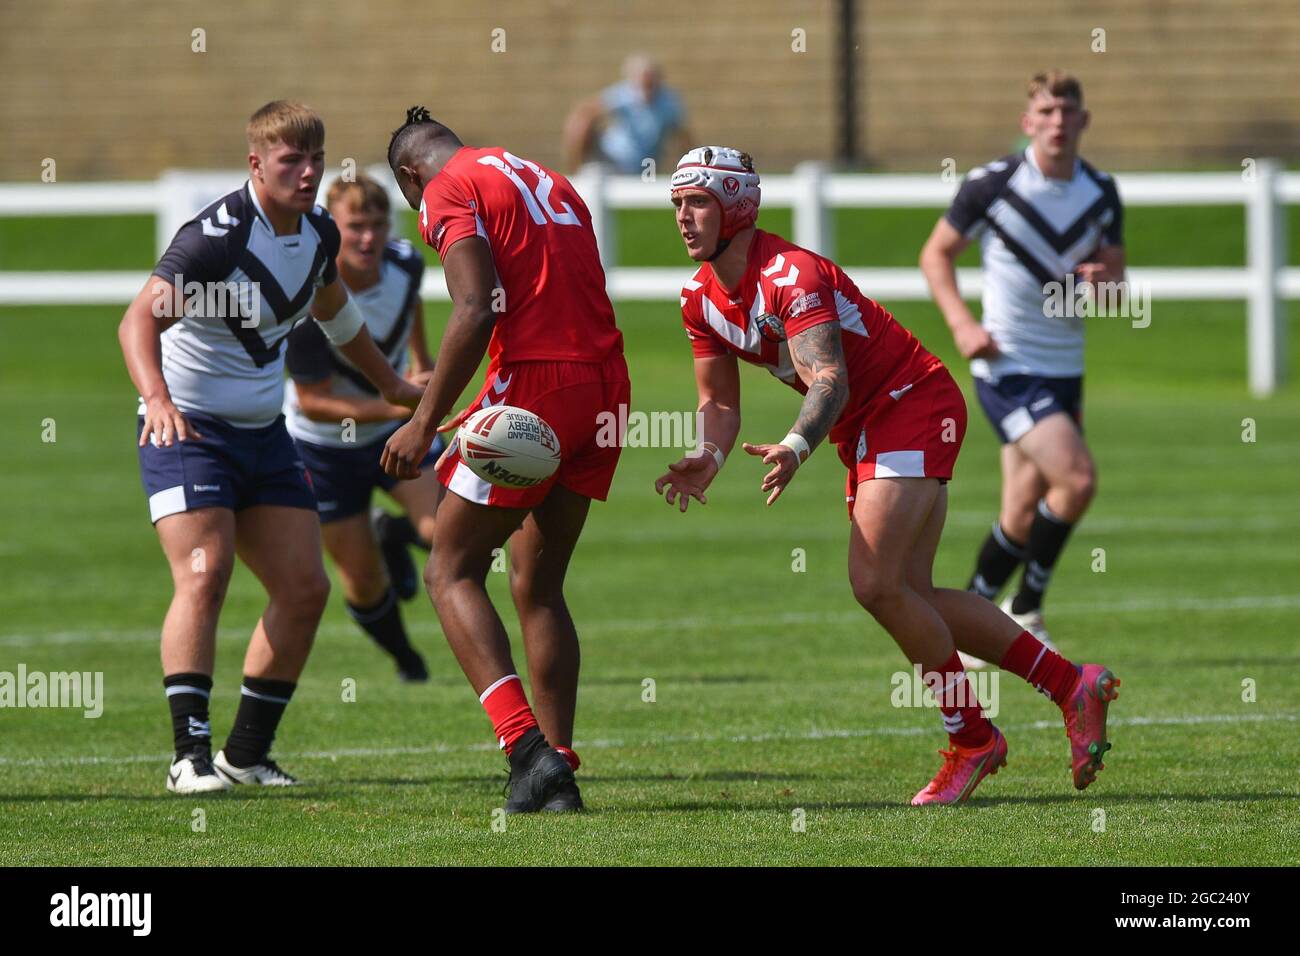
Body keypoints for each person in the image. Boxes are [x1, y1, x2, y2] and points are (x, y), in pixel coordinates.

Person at [655, 146, 1120, 804]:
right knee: (909, 591)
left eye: (696, 202)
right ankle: (1073, 685)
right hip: (868, 425)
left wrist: (794, 445)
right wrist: (710, 454)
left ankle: (973, 739)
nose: (683, 217)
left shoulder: (792, 275)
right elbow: (721, 403)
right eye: (676, 204)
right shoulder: (699, 298)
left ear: (737, 207)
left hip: (911, 402)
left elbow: (829, 380)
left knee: (874, 583)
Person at [118, 101, 423, 794]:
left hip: (265, 435)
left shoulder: (318, 230)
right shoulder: (215, 239)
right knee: (206, 572)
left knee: (305, 588)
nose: (309, 172)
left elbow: (336, 314)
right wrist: (159, 400)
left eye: (316, 158)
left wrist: (396, 388)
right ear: (257, 164)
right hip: (190, 431)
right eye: (292, 160)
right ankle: (187, 758)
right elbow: (137, 321)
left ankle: (246, 755)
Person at [382, 107, 630, 813]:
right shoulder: (547, 176)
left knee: (450, 568)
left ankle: (525, 748)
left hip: (538, 386)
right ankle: (558, 775)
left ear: (410, 173)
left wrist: (423, 422)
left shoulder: (445, 186)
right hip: (606, 386)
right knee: (538, 585)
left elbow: (476, 305)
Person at [919, 72, 1125, 664]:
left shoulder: (1102, 192)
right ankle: (1026, 609)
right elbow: (935, 254)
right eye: (1047, 110)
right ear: (1027, 122)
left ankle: (968, 624)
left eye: (1068, 110)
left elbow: (1116, 282)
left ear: (1084, 121)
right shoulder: (993, 185)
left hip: (1066, 367)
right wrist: (961, 323)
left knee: (1019, 510)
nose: (1059, 120)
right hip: (1007, 365)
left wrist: (1105, 284)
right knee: (1077, 481)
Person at [283, 174, 443, 682]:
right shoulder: (308, 295)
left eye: (377, 224)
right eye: (355, 227)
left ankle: (391, 532)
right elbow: (313, 403)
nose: (368, 238)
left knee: (448, 534)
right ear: (333, 228)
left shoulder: (405, 261)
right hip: (322, 450)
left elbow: (410, 303)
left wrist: (425, 366)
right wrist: (402, 405)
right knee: (363, 583)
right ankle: (407, 659)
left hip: (396, 433)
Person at [562, 53, 691, 174]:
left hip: (646, 165)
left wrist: (688, 167)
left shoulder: (668, 102)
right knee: (581, 124)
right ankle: (575, 175)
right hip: (611, 159)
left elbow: (683, 136)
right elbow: (586, 112)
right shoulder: (623, 95)